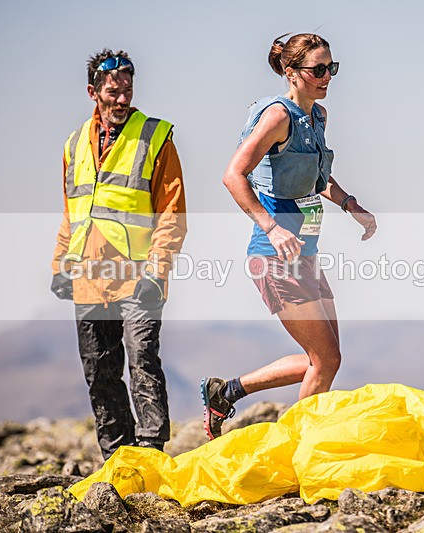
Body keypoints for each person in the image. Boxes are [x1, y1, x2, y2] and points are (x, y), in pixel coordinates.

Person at [202, 33, 377, 440]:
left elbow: (317, 176)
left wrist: (350, 204)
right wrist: (271, 226)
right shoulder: (277, 117)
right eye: (318, 69)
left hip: (306, 257)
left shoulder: (318, 117)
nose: (327, 76)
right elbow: (233, 175)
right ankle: (296, 449)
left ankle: (226, 391)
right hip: (274, 257)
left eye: (331, 68)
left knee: (323, 358)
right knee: (326, 359)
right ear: (291, 73)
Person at [50, 49, 186, 459]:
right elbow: (72, 210)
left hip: (139, 275)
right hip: (89, 276)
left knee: (142, 360)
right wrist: (60, 264)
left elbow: (172, 213)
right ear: (93, 92)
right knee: (99, 371)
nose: (123, 100)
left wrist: (156, 271)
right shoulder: (74, 145)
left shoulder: (155, 137)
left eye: (128, 90)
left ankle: (150, 451)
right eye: (114, 92)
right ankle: (116, 456)